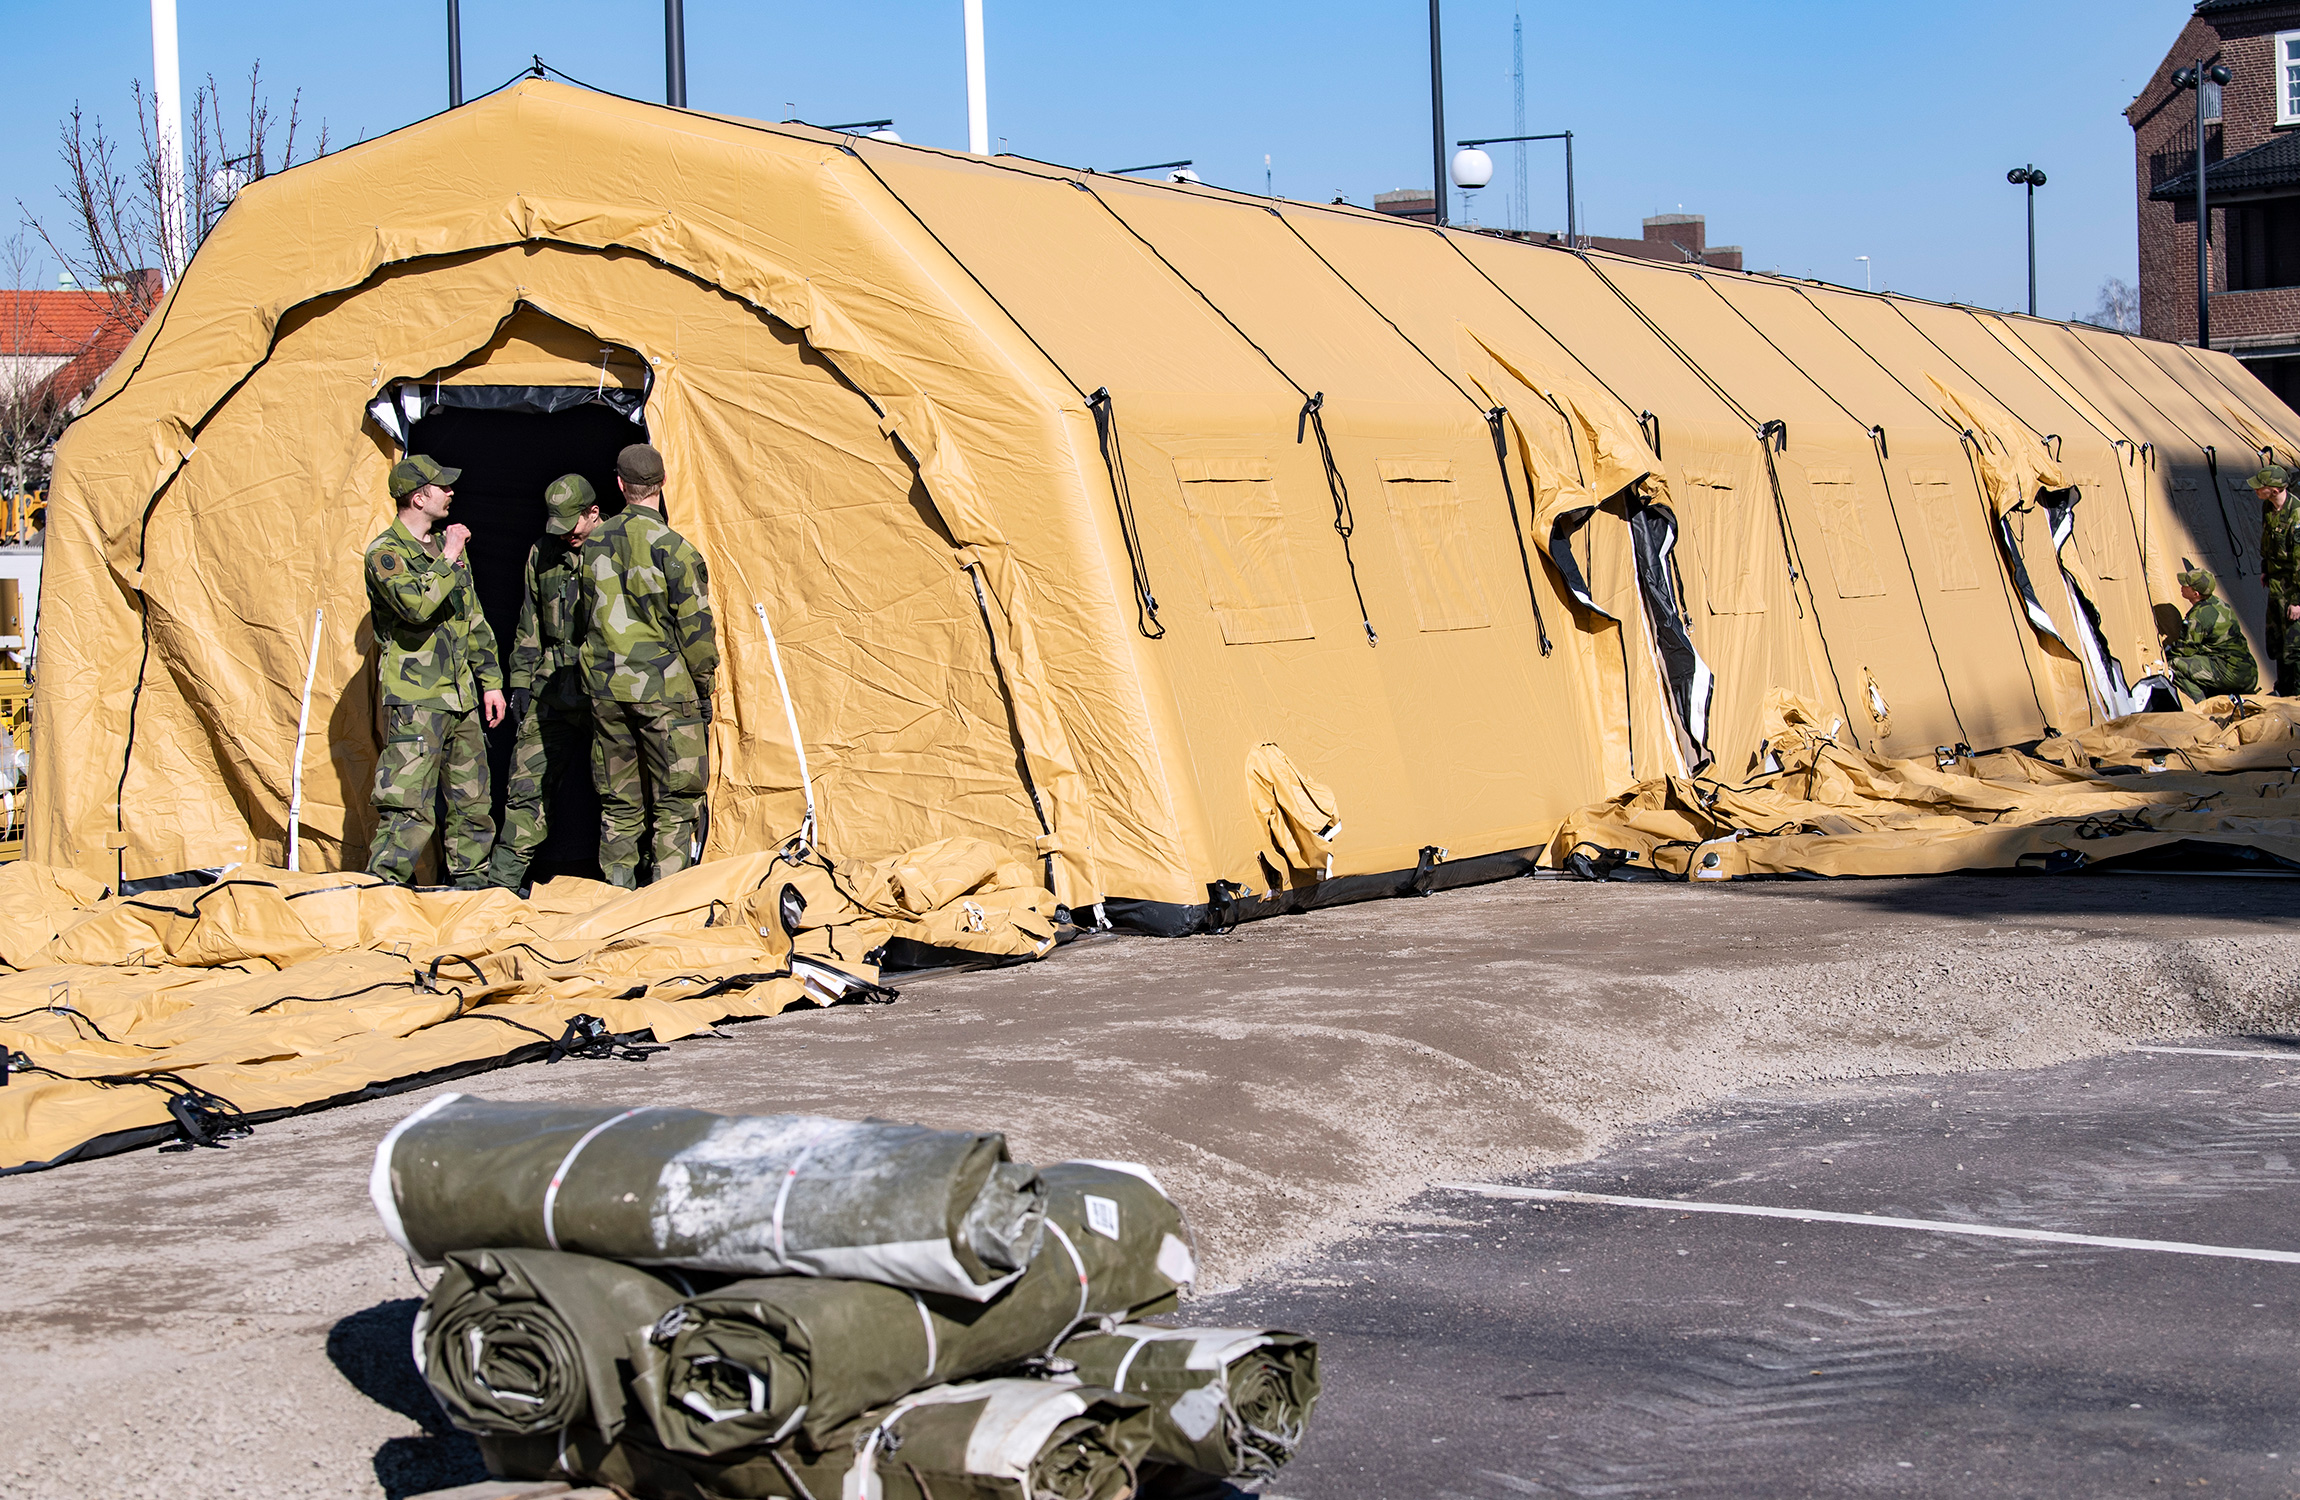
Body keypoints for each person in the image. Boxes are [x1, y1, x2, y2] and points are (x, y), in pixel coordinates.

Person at [363, 453, 507, 886]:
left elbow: (473, 619)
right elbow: (415, 607)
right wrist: (448, 556)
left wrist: (491, 683)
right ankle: (380, 895)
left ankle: (470, 891)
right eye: (441, 487)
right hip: (417, 699)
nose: (450, 493)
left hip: (460, 698)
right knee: (407, 806)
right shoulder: (386, 554)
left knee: (472, 804)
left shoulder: (448, 549)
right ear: (419, 496)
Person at [581, 443, 719, 887]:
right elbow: (697, 635)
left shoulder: (592, 544)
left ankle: (615, 906)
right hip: (664, 690)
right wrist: (702, 690)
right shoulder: (676, 549)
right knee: (677, 802)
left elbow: (581, 616)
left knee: (619, 803)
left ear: (620, 485)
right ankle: (666, 908)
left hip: (605, 689)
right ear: (663, 483)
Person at [484, 474, 604, 890]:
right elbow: (529, 621)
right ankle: (501, 887)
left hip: (601, 691)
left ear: (594, 513)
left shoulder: (615, 550)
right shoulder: (542, 552)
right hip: (549, 688)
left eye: (573, 524)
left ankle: (626, 893)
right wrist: (520, 681)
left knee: (620, 794)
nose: (566, 535)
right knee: (525, 787)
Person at [2167, 566, 2260, 703]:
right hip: (2248, 672)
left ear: (2196, 593)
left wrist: (2167, 653)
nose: (2181, 586)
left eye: (2186, 585)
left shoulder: (2198, 616)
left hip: (2231, 674)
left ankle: (2203, 707)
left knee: (2174, 664)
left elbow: (2185, 650)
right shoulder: (2220, 604)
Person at [2253, 463, 2299, 694]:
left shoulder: (2296, 514)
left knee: (2296, 643)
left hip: (2294, 586)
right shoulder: (2268, 509)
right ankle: (2284, 688)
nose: (2256, 490)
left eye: (2261, 487)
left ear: (2276, 489)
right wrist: (2265, 569)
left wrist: (2298, 601)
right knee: (2277, 640)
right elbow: (2267, 542)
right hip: (2276, 583)